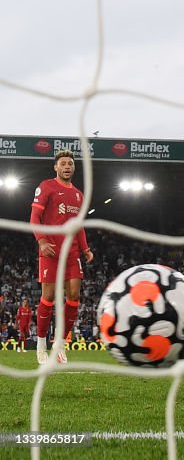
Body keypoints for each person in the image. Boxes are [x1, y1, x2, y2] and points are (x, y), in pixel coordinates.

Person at [31, 150, 95, 364]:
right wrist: (41, 240)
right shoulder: (46, 186)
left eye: (70, 163)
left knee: (74, 296)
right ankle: (41, 344)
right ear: (56, 167)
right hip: (50, 250)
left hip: (72, 252)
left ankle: (60, 344)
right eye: (63, 163)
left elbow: (79, 227)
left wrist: (85, 249)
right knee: (48, 296)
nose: (67, 166)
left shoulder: (78, 194)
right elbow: (34, 216)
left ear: (74, 168)